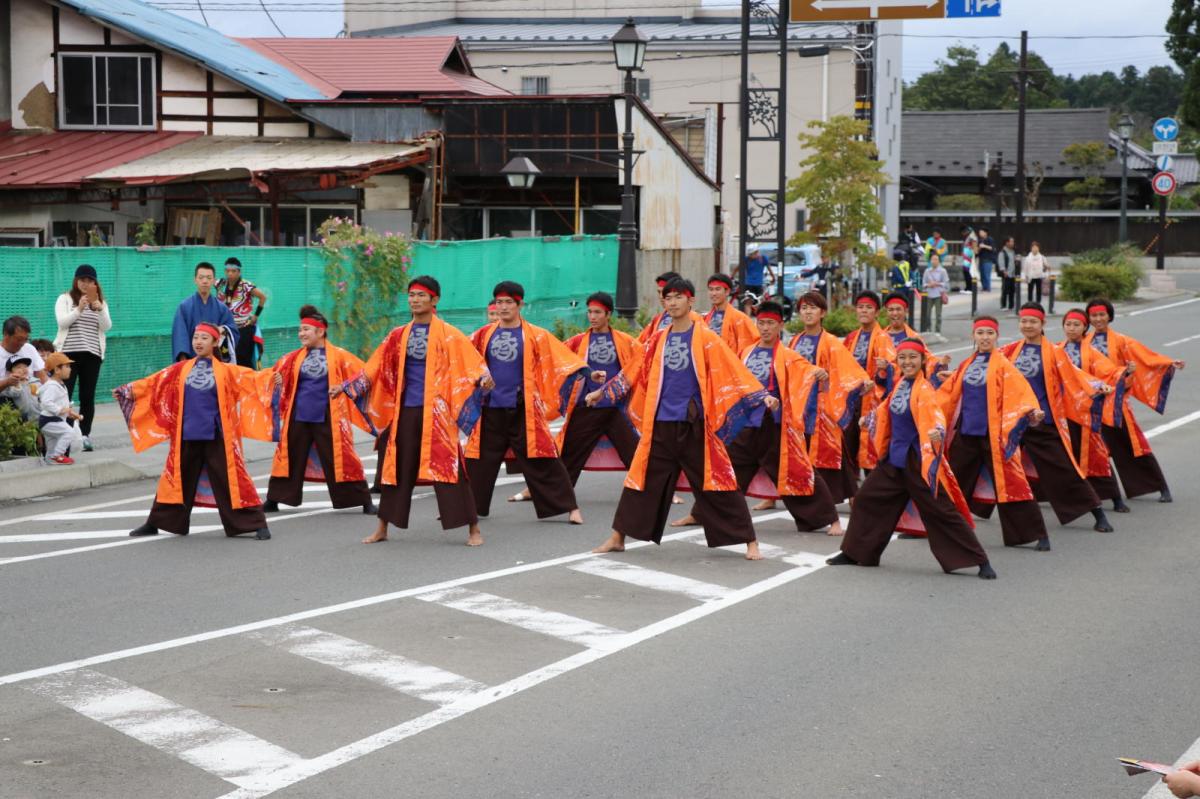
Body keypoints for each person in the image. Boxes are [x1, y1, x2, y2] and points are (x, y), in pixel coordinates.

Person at [589, 277, 768, 560]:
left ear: (691, 300)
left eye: (678, 297)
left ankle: (749, 540)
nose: (672, 303)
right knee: (642, 480)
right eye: (668, 298)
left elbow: (733, 369)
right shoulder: (658, 339)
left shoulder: (706, 338)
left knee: (716, 482)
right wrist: (603, 392)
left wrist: (761, 396)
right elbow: (633, 369)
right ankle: (618, 537)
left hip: (693, 424)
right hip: (661, 422)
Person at [827, 339, 997, 579]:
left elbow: (935, 415)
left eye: (913, 357)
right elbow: (886, 410)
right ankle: (855, 552)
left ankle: (980, 560)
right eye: (903, 358)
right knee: (866, 499)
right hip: (894, 459)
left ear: (923, 360)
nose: (907, 362)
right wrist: (870, 419)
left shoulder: (924, 389)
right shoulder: (901, 384)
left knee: (941, 511)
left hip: (917, 460)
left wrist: (937, 431)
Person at [673, 300, 842, 535]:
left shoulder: (787, 355)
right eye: (761, 323)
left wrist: (817, 372)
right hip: (746, 423)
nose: (765, 328)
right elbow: (731, 375)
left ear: (780, 326)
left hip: (773, 426)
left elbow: (805, 369)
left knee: (798, 471)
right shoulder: (746, 352)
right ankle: (700, 514)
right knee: (726, 470)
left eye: (770, 323)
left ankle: (831, 519)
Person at [350, 276, 490, 547]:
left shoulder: (449, 333)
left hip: (437, 413)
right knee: (396, 469)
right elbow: (376, 364)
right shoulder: (398, 334)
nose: (414, 300)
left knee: (449, 469)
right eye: (411, 295)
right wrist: (351, 385)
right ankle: (382, 527)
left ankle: (473, 529)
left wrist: (483, 378)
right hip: (405, 410)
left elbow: (472, 363)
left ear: (434, 300)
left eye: (421, 295)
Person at [118, 322, 272, 540]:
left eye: (204, 338)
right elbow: (155, 382)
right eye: (196, 338)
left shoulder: (227, 370)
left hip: (217, 435)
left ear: (215, 342)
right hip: (186, 433)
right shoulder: (181, 369)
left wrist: (272, 378)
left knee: (231, 479)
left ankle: (257, 523)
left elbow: (252, 379)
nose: (198, 342)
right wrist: (131, 391)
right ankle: (156, 522)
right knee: (175, 479)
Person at [466, 281, 588, 524]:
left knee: (542, 458)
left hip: (523, 408)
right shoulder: (483, 334)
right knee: (478, 460)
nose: (503, 307)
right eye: (499, 302)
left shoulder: (534, 334)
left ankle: (570, 507)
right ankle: (466, 509)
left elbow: (561, 358)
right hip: (490, 407)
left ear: (520, 304)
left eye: (508, 302)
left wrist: (588, 372)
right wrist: (479, 379)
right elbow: (467, 361)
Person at [510, 291, 643, 504]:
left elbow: (640, 365)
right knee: (569, 455)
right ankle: (541, 491)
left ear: (608, 314)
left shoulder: (625, 341)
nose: (592, 316)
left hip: (615, 408)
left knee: (635, 453)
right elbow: (555, 358)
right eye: (590, 312)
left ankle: (655, 493)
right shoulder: (578, 342)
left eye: (597, 312)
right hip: (586, 407)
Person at [936, 317, 1051, 551]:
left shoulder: (1004, 365)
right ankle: (941, 529)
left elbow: (1021, 392)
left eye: (989, 333)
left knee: (1011, 484)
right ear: (974, 336)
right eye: (980, 333)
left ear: (996, 336)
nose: (985, 337)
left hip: (995, 436)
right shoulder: (967, 363)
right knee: (953, 481)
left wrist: (1031, 410)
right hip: (967, 432)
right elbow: (947, 394)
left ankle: (1036, 534)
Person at [1000, 303, 1115, 533]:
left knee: (1063, 469)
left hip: (1042, 421)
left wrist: (1096, 385)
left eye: (1033, 321)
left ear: (1043, 324)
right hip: (1013, 420)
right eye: (1024, 321)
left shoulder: (1053, 352)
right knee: (997, 467)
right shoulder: (1010, 350)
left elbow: (1074, 374)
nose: (1028, 325)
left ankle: (1097, 513)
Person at [260, 305, 375, 518]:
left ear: (320, 332)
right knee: (288, 456)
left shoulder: (339, 356)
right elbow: (276, 377)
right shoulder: (293, 357)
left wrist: (343, 386)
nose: (301, 333)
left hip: (329, 415)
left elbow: (364, 375)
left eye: (306, 329)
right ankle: (273, 499)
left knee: (341, 457)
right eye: (300, 329)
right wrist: (276, 381)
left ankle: (364, 500)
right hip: (299, 414)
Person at [1085, 297, 1184, 503]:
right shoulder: (1084, 341)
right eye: (1093, 315)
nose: (1098, 319)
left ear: (1109, 316)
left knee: (1133, 444)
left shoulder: (1121, 341)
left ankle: (1160, 486)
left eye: (1102, 314)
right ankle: (1100, 493)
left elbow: (1145, 357)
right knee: (1095, 448)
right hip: (1093, 402)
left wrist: (1168, 363)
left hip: (1116, 402)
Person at [788, 291, 870, 503]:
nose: (808, 312)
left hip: (823, 408)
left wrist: (863, 380)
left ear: (822, 313)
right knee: (803, 453)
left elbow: (847, 368)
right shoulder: (794, 341)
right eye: (804, 308)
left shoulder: (831, 342)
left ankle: (844, 501)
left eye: (812, 308)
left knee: (830, 455)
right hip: (799, 407)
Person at [1058, 309, 1130, 512]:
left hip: (1087, 410)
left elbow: (1109, 372)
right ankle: (1070, 497)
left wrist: (1122, 374)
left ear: (1084, 328)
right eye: (1068, 324)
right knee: (1065, 455)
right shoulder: (1056, 350)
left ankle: (1115, 498)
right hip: (1062, 410)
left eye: (1076, 325)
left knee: (1097, 454)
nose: (1071, 328)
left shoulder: (1090, 352)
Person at [54, 264, 112, 452]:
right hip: (68, 356)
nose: (85, 284)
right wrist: (79, 308)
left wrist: (100, 309)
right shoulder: (65, 299)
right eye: (82, 280)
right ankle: (64, 433)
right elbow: (62, 322)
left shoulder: (100, 302)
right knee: (65, 394)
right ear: (76, 281)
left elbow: (106, 327)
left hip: (92, 355)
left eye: (89, 280)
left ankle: (85, 435)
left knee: (87, 396)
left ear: (95, 283)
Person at [843, 291, 897, 472]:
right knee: (848, 444)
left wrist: (885, 370)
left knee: (871, 447)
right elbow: (840, 365)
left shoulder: (883, 338)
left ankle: (870, 485)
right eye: (860, 307)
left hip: (872, 400)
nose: (864, 311)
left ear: (877, 312)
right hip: (851, 399)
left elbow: (894, 368)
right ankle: (852, 488)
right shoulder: (851, 338)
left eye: (868, 307)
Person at [172, 262, 238, 362]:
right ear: (195, 280)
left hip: (216, 362)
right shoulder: (184, 307)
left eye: (209, 278)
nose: (205, 281)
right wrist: (183, 361)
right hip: (191, 362)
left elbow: (233, 331)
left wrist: (223, 329)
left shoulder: (222, 308)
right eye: (201, 277)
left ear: (214, 281)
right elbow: (180, 337)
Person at [216, 257, 268, 368]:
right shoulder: (220, 284)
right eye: (227, 271)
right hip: (226, 329)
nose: (230, 274)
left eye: (233, 271)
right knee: (226, 360)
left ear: (239, 272)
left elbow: (263, 297)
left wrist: (256, 315)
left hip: (243, 329)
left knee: (243, 360)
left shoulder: (246, 286)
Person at [37, 353, 83, 465]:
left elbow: (62, 404)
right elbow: (46, 402)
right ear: (57, 370)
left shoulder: (60, 384)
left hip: (51, 420)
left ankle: (50, 461)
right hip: (50, 420)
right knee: (69, 432)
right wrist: (60, 410)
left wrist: (69, 413)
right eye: (67, 366)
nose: (70, 369)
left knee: (52, 443)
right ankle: (58, 455)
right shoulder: (52, 386)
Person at [703, 273, 759, 353]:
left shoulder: (741, 318)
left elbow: (751, 346)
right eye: (711, 289)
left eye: (717, 289)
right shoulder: (705, 318)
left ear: (727, 291)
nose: (713, 293)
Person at [0, 316, 48, 388]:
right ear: (6, 335)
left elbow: (43, 377)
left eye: (26, 339)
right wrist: (7, 382)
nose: (22, 343)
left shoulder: (29, 348)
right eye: (19, 339)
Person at [638, 272, 685, 343]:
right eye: (659, 292)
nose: (661, 296)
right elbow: (639, 342)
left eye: (665, 292)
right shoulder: (657, 319)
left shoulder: (693, 319)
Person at [0, 356, 38, 421]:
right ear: (10, 373)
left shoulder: (35, 381)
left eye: (25, 366)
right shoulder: (10, 385)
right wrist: (16, 384)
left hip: (40, 415)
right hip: (25, 420)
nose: (23, 369)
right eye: (19, 367)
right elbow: (14, 393)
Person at [922, 255, 950, 334]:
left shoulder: (943, 271)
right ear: (930, 261)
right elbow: (923, 284)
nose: (934, 261)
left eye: (936, 259)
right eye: (933, 259)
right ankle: (928, 329)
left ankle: (938, 330)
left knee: (938, 314)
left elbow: (946, 284)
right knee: (927, 314)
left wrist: (937, 284)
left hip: (938, 294)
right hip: (929, 294)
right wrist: (928, 285)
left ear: (939, 261)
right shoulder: (927, 271)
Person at [998, 236, 1020, 310]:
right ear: (1007, 243)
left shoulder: (1013, 251)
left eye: (1013, 241)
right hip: (1006, 274)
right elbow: (1001, 262)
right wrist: (1004, 271)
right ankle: (1003, 305)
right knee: (1005, 290)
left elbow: (1015, 261)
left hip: (1013, 274)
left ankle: (1011, 305)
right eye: (1011, 241)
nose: (1013, 243)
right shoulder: (1002, 252)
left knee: (1012, 290)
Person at [975, 227, 996, 292]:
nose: (980, 233)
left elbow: (992, 248)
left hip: (988, 259)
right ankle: (984, 287)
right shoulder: (980, 240)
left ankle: (988, 288)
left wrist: (984, 246)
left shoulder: (990, 239)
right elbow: (977, 251)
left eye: (981, 232)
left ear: (985, 233)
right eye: (979, 232)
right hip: (981, 259)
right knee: (982, 275)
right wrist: (979, 248)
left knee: (987, 274)